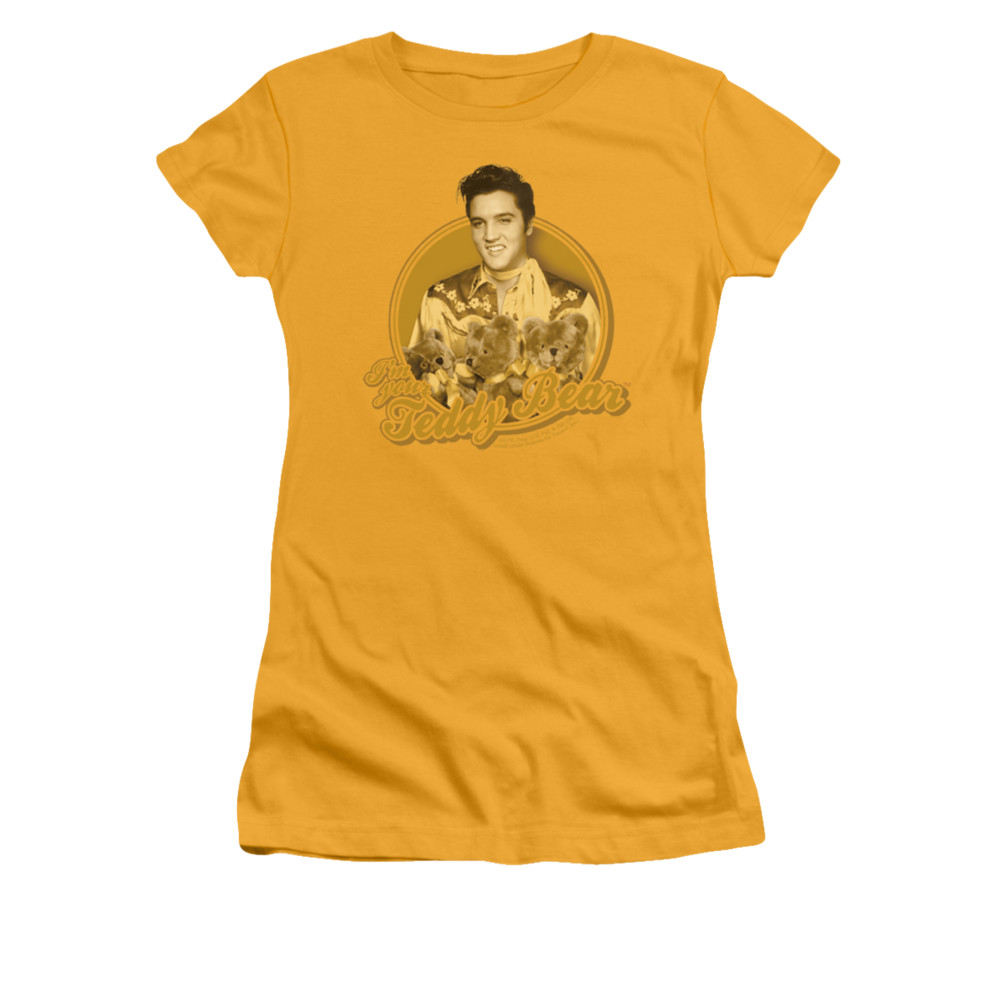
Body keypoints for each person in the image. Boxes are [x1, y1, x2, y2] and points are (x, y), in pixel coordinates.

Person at [408, 164, 602, 375]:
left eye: (504, 220)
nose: (490, 235)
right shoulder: (439, 301)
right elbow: (414, 380)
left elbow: (599, 382)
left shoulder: (574, 305)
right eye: (478, 223)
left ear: (528, 225)